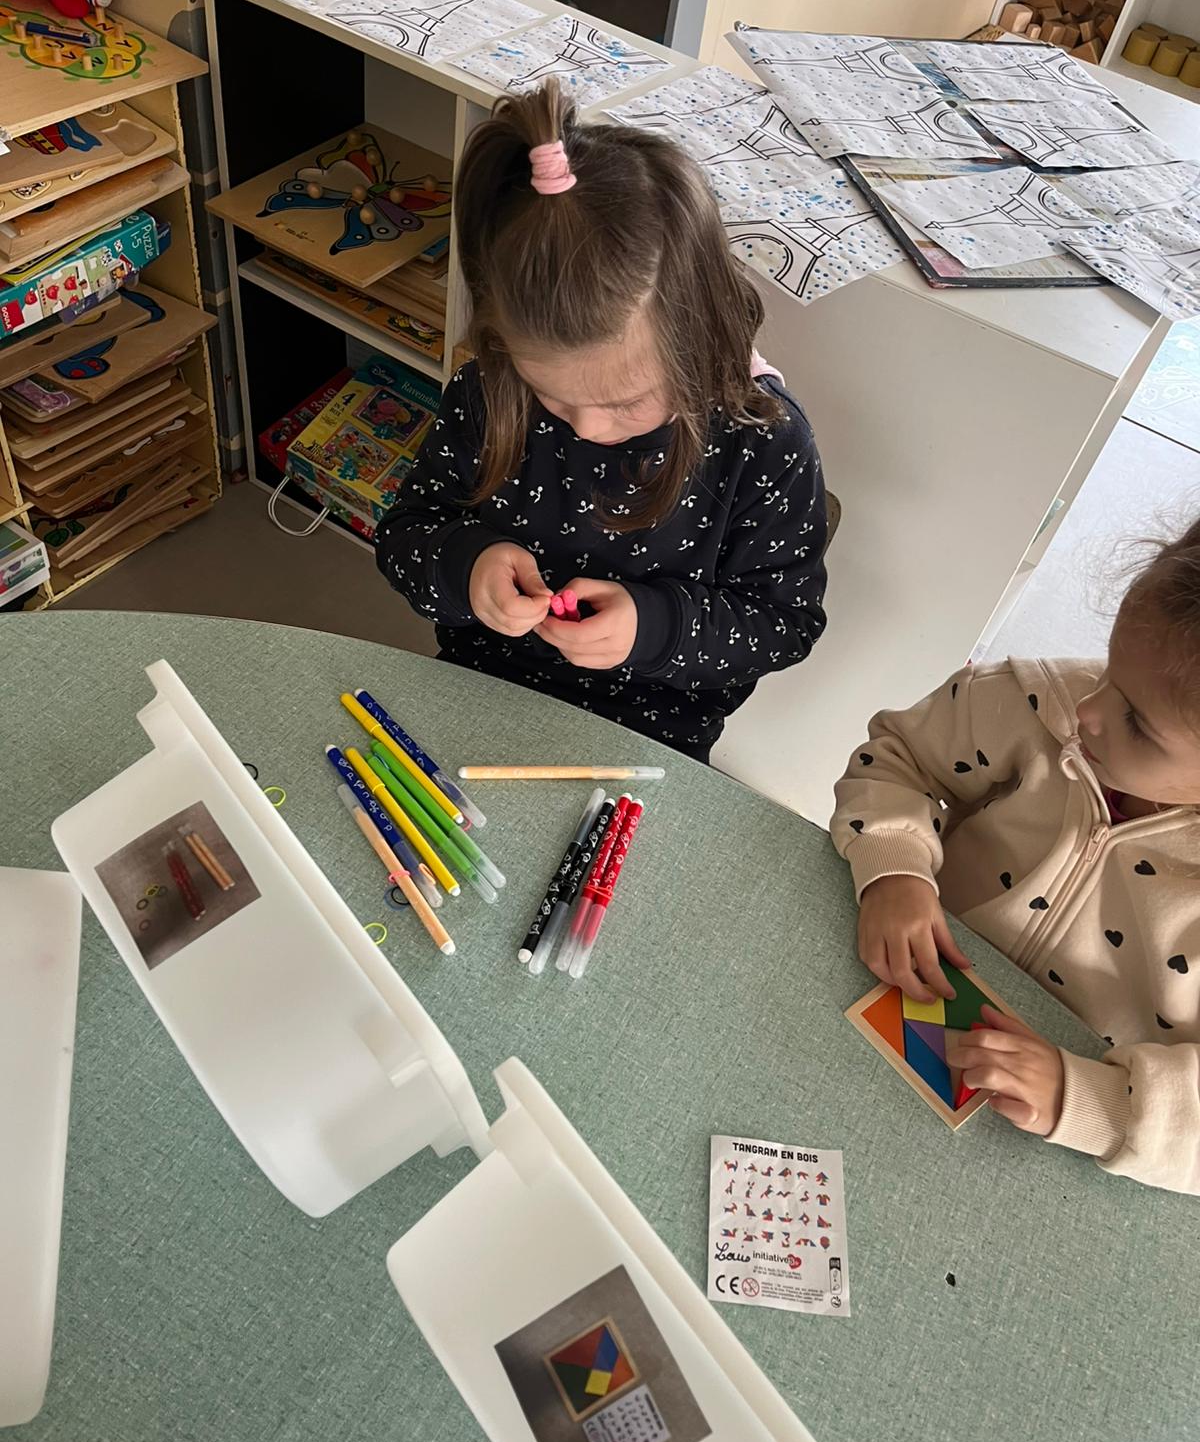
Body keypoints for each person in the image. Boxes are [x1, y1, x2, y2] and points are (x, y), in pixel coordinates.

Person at [375, 80, 827, 764]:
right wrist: (466, 567)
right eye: (552, 398)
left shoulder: (760, 442)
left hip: (650, 737)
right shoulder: (489, 391)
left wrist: (654, 627)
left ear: (700, 338)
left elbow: (784, 624)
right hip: (478, 690)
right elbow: (404, 534)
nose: (587, 429)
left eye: (625, 403)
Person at [831, 518, 1200, 1193]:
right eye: (1110, 667)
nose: (1088, 712)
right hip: (885, 994)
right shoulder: (1036, 701)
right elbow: (899, 756)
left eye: (1138, 723)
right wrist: (895, 865)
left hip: (1049, 1151)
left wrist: (1090, 1102)